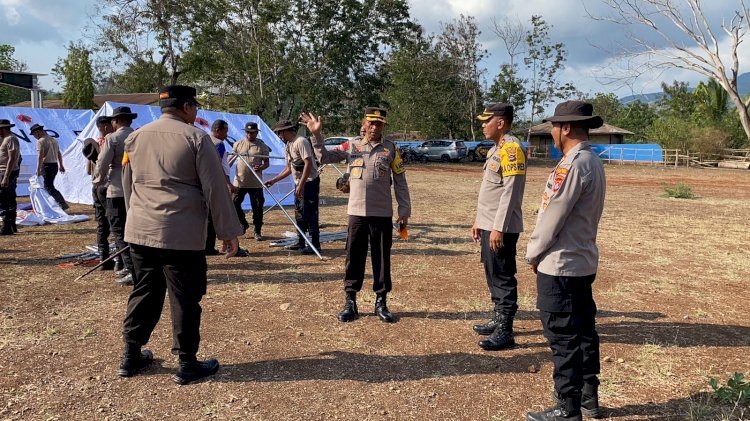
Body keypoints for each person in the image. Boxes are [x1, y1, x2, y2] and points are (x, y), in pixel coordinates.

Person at [119, 85, 241, 385]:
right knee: (185, 297)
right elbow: (215, 190)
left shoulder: (136, 137)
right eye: (195, 107)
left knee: (144, 291)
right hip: (181, 234)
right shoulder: (197, 138)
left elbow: (127, 185)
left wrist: (135, 220)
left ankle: (131, 356)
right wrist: (228, 232)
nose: (196, 112)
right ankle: (187, 363)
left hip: (141, 231)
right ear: (187, 107)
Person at [524, 101, 606, 421]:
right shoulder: (593, 161)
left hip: (559, 264)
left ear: (567, 128)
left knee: (562, 337)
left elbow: (552, 217)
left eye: (555, 127)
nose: (553, 133)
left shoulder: (571, 165)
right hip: (582, 261)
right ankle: (589, 397)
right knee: (584, 332)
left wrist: (533, 253)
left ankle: (566, 408)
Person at [301, 107, 411, 323]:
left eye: (378, 124)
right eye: (371, 122)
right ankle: (350, 300)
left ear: (383, 126)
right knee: (354, 257)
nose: (374, 127)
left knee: (381, 258)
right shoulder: (352, 145)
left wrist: (404, 210)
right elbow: (324, 157)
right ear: (365, 123)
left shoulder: (391, 149)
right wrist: (316, 134)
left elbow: (400, 181)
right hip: (357, 213)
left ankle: (381, 300)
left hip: (382, 213)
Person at [471, 103, 526, 351]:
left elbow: (510, 192)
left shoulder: (512, 150)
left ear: (501, 123)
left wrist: (498, 228)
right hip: (489, 224)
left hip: (500, 227)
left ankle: (506, 329)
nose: (483, 125)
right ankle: (497, 316)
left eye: (487, 120)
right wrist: (479, 222)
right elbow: (490, 192)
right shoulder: (497, 149)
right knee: (492, 272)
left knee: (503, 276)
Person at [94, 107, 137, 285]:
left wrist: (97, 181)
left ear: (116, 121)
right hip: (137, 189)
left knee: (119, 231)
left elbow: (102, 164)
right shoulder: (139, 135)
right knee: (135, 231)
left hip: (117, 189)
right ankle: (133, 266)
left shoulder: (112, 138)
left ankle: (132, 270)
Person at [265, 120, 320, 255]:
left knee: (310, 213)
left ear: (285, 131)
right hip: (299, 184)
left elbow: (308, 163)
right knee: (299, 213)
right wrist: (274, 180)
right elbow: (289, 168)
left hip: (309, 182)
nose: (279, 136)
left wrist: (301, 184)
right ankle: (300, 241)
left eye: (280, 132)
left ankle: (315, 245)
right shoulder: (288, 145)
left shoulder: (301, 141)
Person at [83, 115, 117, 270]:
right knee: (116, 223)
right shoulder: (108, 142)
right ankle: (121, 262)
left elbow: (88, 170)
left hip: (96, 187)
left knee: (102, 224)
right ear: (105, 127)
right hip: (107, 187)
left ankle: (104, 258)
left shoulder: (93, 145)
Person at [228, 122, 270, 241]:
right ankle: (243, 222)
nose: (249, 135)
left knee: (257, 207)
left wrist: (260, 167)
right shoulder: (238, 144)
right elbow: (231, 159)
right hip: (240, 181)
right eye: (247, 132)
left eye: (252, 133)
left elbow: (267, 163)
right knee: (233, 203)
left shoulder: (262, 146)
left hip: (255, 183)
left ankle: (257, 231)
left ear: (256, 133)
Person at [205, 119, 237, 254]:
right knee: (213, 217)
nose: (226, 134)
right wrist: (228, 183)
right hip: (215, 183)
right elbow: (219, 166)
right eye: (225, 131)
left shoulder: (204, 140)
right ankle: (211, 247)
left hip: (205, 183)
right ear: (218, 130)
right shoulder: (218, 144)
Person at [31, 123, 68, 210]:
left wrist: (38, 169)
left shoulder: (41, 141)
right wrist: (61, 165)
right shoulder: (53, 139)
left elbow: (40, 155)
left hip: (46, 165)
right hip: (54, 165)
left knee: (48, 186)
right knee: (49, 185)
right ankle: (58, 203)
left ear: (38, 132)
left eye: (34, 135)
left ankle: (60, 203)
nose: (34, 137)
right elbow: (59, 153)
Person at [0, 119, 21, 235]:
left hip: (7, 172)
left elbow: (12, 158)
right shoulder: (4, 139)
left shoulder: (11, 139)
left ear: (3, 129)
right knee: (9, 197)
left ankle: (7, 225)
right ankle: (11, 224)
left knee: (4, 198)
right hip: (4, 171)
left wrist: (6, 176)